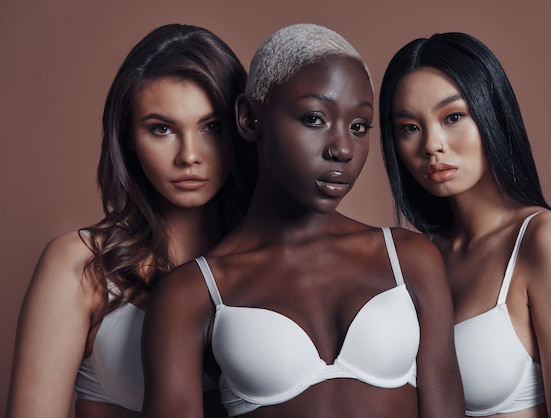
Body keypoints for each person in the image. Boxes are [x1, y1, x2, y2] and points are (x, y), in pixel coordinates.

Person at [141, 23, 464, 418]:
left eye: (359, 126)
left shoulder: (409, 258)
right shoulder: (192, 293)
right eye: (314, 118)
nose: (343, 148)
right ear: (249, 118)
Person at [6, 23, 254, 418]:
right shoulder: (81, 265)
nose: (189, 155)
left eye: (211, 127)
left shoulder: (272, 260)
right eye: (162, 129)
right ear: (128, 139)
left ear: (245, 127)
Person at [379, 32, 551, 417]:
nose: (432, 144)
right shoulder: (422, 256)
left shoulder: (550, 243)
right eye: (409, 127)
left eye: (453, 117)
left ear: (492, 113)